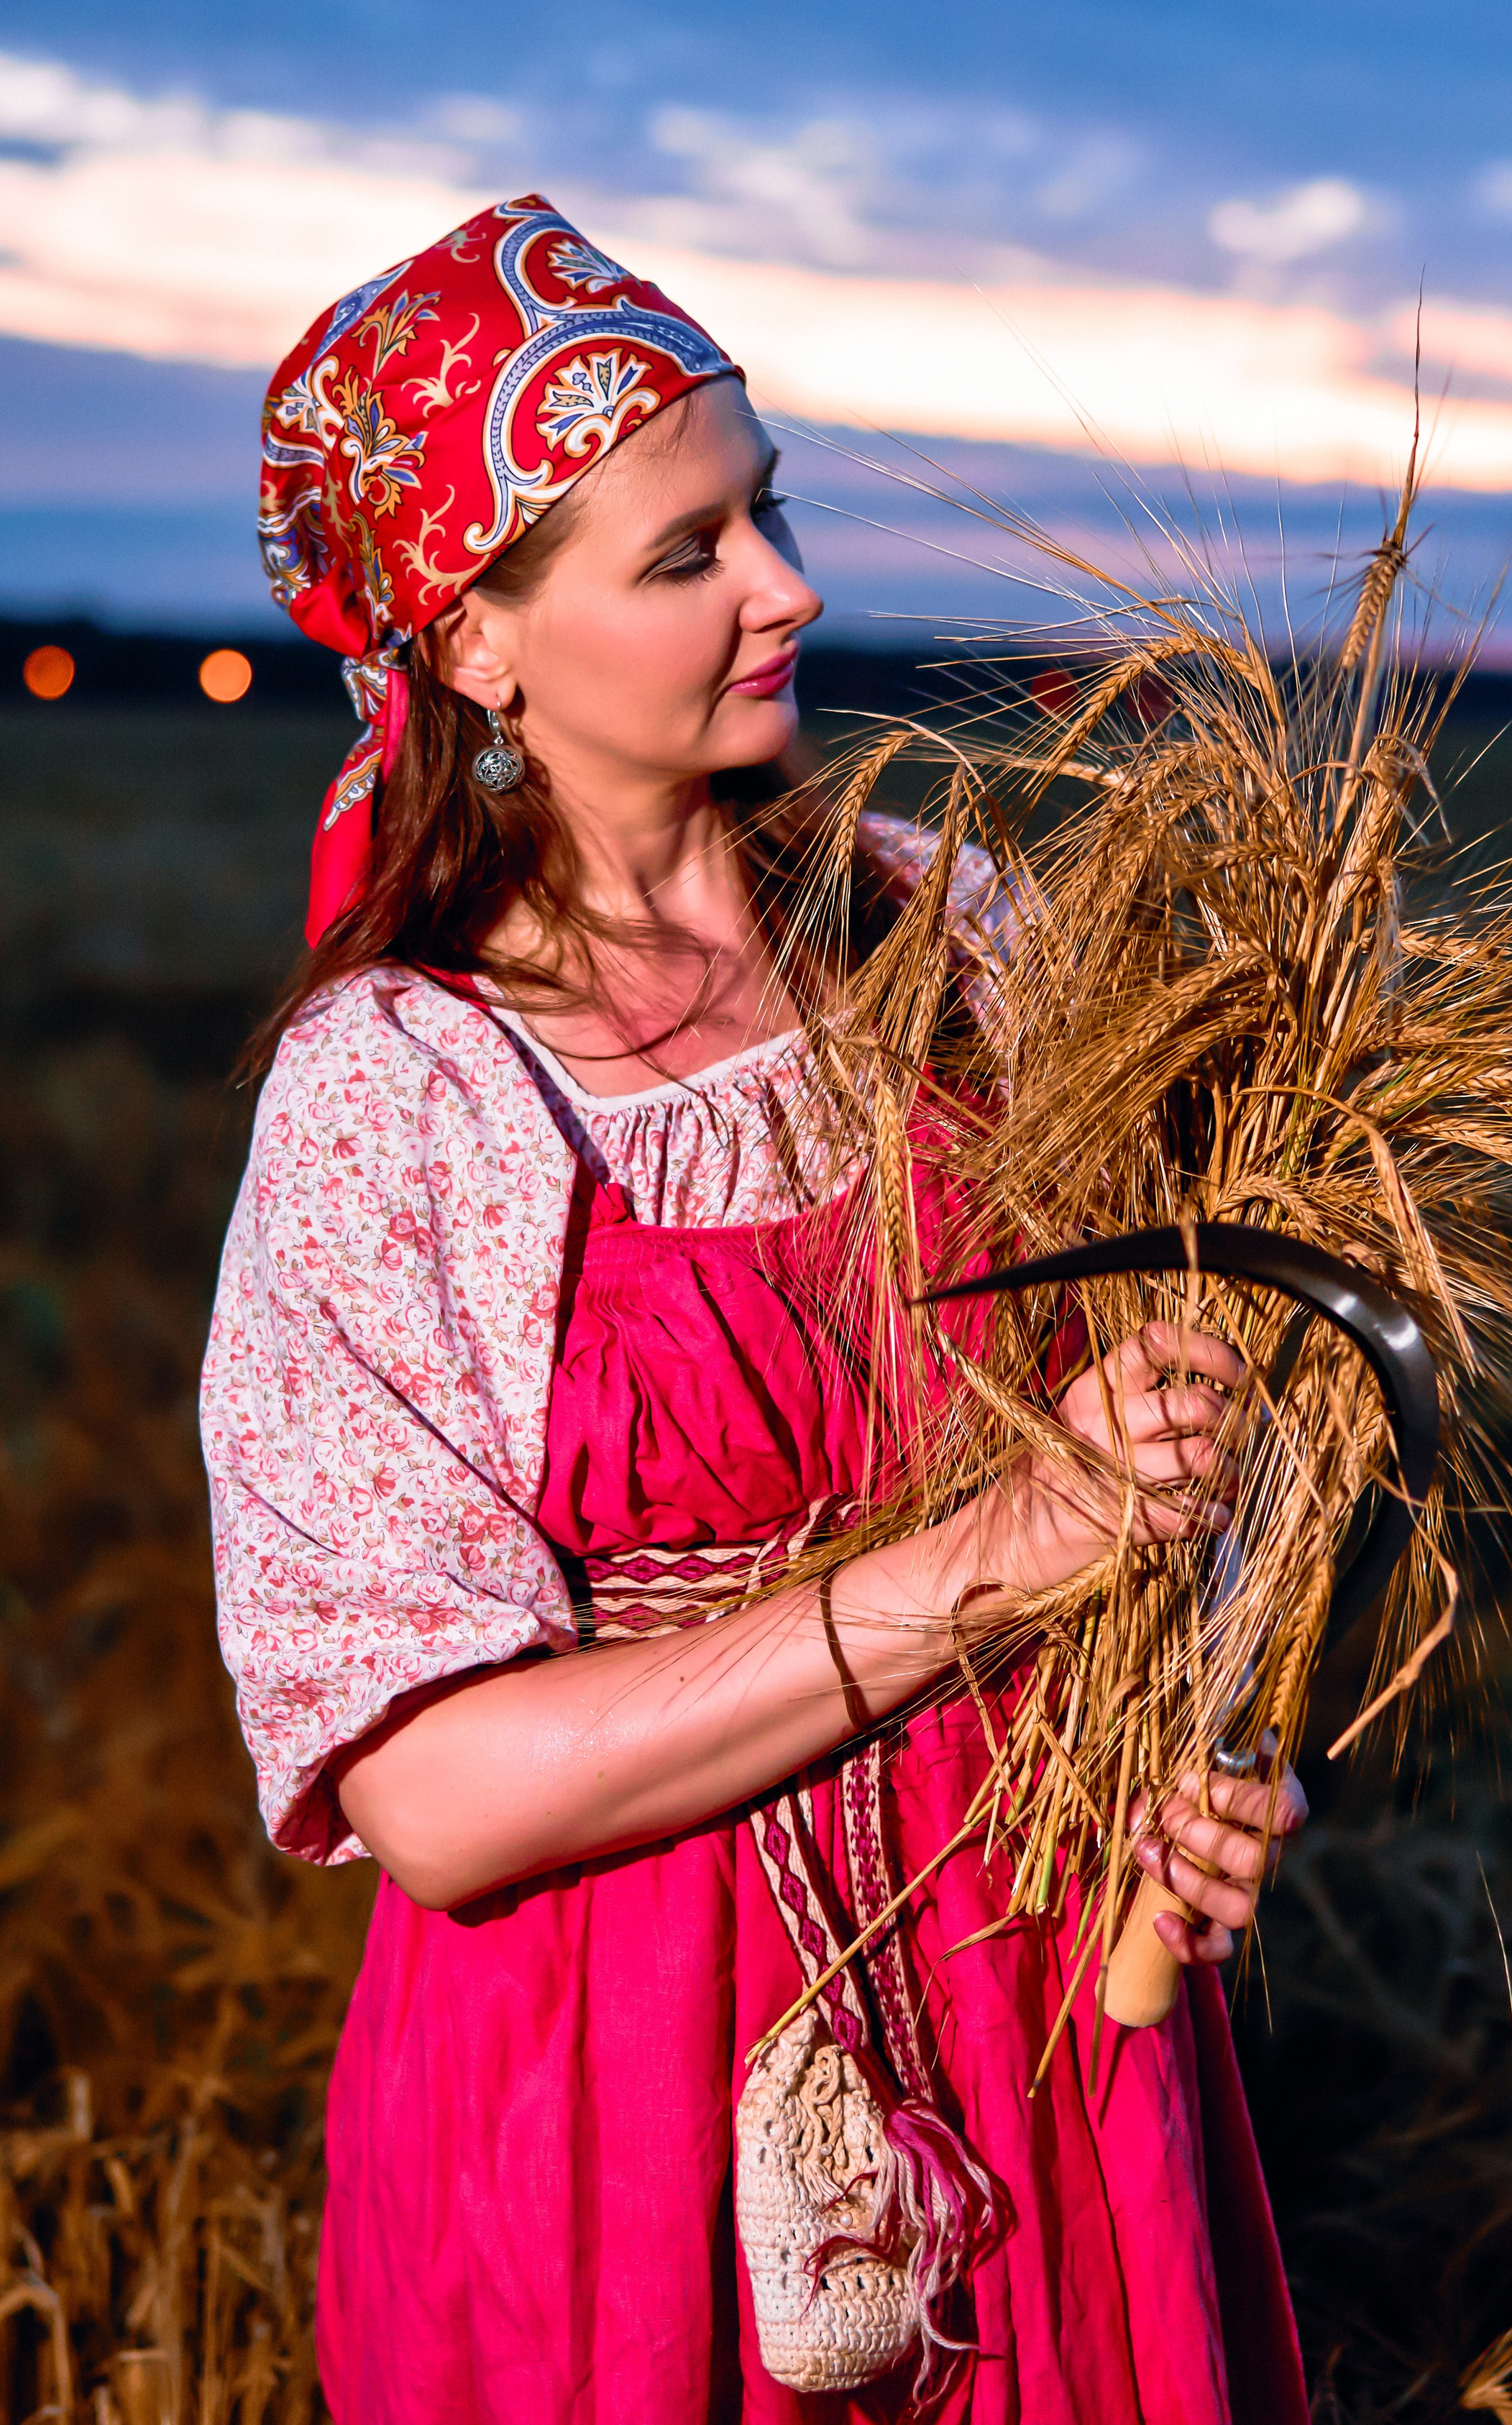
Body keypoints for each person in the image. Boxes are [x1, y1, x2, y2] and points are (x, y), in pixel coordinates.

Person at [203, 193, 1311, 2424]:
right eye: (684, 551)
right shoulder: (403, 1096)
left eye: (766, 510)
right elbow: (434, 1795)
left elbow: (1199, 1414)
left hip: (1035, 2002)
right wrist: (996, 1567)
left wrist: (1200, 1734)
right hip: (613, 2082)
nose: (788, 583)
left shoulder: (959, 939)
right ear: (482, 648)